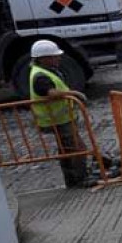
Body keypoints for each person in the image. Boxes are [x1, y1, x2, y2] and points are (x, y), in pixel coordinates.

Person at [28, 40, 89, 188]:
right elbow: (51, 93)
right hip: (57, 120)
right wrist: (73, 93)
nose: (58, 58)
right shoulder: (40, 76)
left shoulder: (45, 71)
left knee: (66, 151)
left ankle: (72, 180)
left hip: (59, 119)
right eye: (54, 56)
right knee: (77, 149)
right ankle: (80, 179)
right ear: (43, 58)